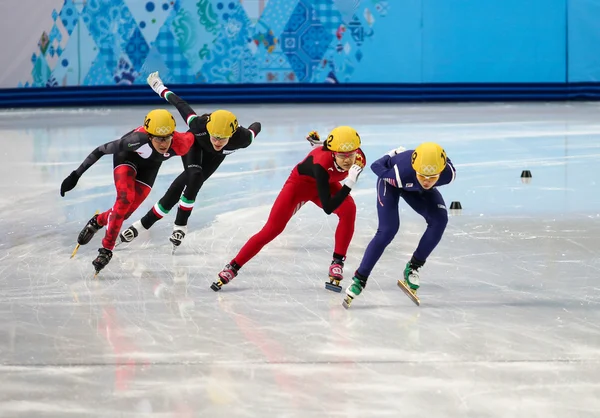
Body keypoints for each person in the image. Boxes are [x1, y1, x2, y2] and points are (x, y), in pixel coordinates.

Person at [117, 72, 261, 252]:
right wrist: (158, 86)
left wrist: (247, 128)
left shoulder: (243, 139)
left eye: (222, 139)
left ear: (231, 136)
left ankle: (141, 225)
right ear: (208, 130)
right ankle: (180, 225)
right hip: (194, 145)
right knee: (194, 176)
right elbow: (180, 104)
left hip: (214, 158)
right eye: (214, 137)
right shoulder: (198, 125)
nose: (216, 142)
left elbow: (257, 126)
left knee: (180, 186)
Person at [212, 126, 366, 292]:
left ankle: (337, 262)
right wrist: (349, 183)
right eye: (342, 155)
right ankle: (233, 267)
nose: (348, 160)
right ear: (333, 152)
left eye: (351, 154)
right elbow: (328, 207)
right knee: (272, 229)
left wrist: (318, 143)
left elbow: (333, 147)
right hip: (299, 187)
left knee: (349, 209)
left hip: (326, 184)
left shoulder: (359, 158)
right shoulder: (321, 165)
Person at [60, 109, 195, 274]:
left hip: (150, 167)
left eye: (167, 137)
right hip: (126, 158)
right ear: (150, 136)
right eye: (159, 138)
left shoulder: (181, 143)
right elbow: (100, 150)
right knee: (125, 199)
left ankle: (99, 221)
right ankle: (107, 249)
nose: (164, 143)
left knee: (124, 213)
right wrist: (75, 175)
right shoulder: (136, 140)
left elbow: (199, 132)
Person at [343, 142, 456, 307]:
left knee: (440, 220)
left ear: (441, 171)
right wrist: (390, 155)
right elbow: (376, 166)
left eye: (432, 177)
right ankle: (359, 279)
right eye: (422, 175)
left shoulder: (448, 173)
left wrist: (421, 180)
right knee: (388, 230)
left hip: (412, 186)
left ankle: (413, 267)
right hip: (392, 184)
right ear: (415, 170)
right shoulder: (399, 172)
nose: (427, 181)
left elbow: (428, 179)